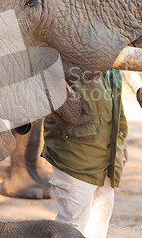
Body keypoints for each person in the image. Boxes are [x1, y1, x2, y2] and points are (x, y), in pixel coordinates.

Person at [42, 69, 128, 238]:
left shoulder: (110, 63)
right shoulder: (64, 59)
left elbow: (117, 106)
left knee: (100, 218)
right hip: (74, 159)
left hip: (107, 160)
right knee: (72, 226)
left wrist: (121, 140)